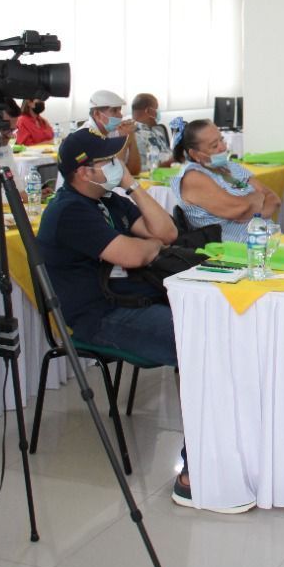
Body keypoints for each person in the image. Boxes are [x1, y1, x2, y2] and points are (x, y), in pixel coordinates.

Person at [35, 130, 245, 513]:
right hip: (99, 317)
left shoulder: (111, 201)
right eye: (108, 162)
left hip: (133, 299)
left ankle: (229, 447)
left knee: (218, 332)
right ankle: (193, 473)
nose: (118, 166)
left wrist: (131, 186)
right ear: (83, 172)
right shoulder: (69, 211)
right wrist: (149, 251)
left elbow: (166, 232)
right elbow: (133, 254)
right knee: (199, 346)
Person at [172, 119, 282, 238]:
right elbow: (238, 208)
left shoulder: (230, 166)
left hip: (266, 238)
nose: (223, 147)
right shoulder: (192, 177)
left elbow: (274, 199)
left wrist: (257, 215)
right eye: (214, 145)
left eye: (222, 139)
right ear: (195, 154)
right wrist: (258, 197)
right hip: (233, 248)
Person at [83, 89, 141, 174]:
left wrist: (131, 137)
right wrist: (124, 141)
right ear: (97, 114)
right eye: (114, 110)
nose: (120, 115)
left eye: (119, 110)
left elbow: (134, 171)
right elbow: (111, 175)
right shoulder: (85, 136)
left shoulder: (115, 131)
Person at [131, 93, 172, 170]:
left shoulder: (157, 132)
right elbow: (134, 169)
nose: (158, 113)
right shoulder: (133, 135)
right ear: (148, 111)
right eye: (157, 109)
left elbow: (168, 155)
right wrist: (163, 165)